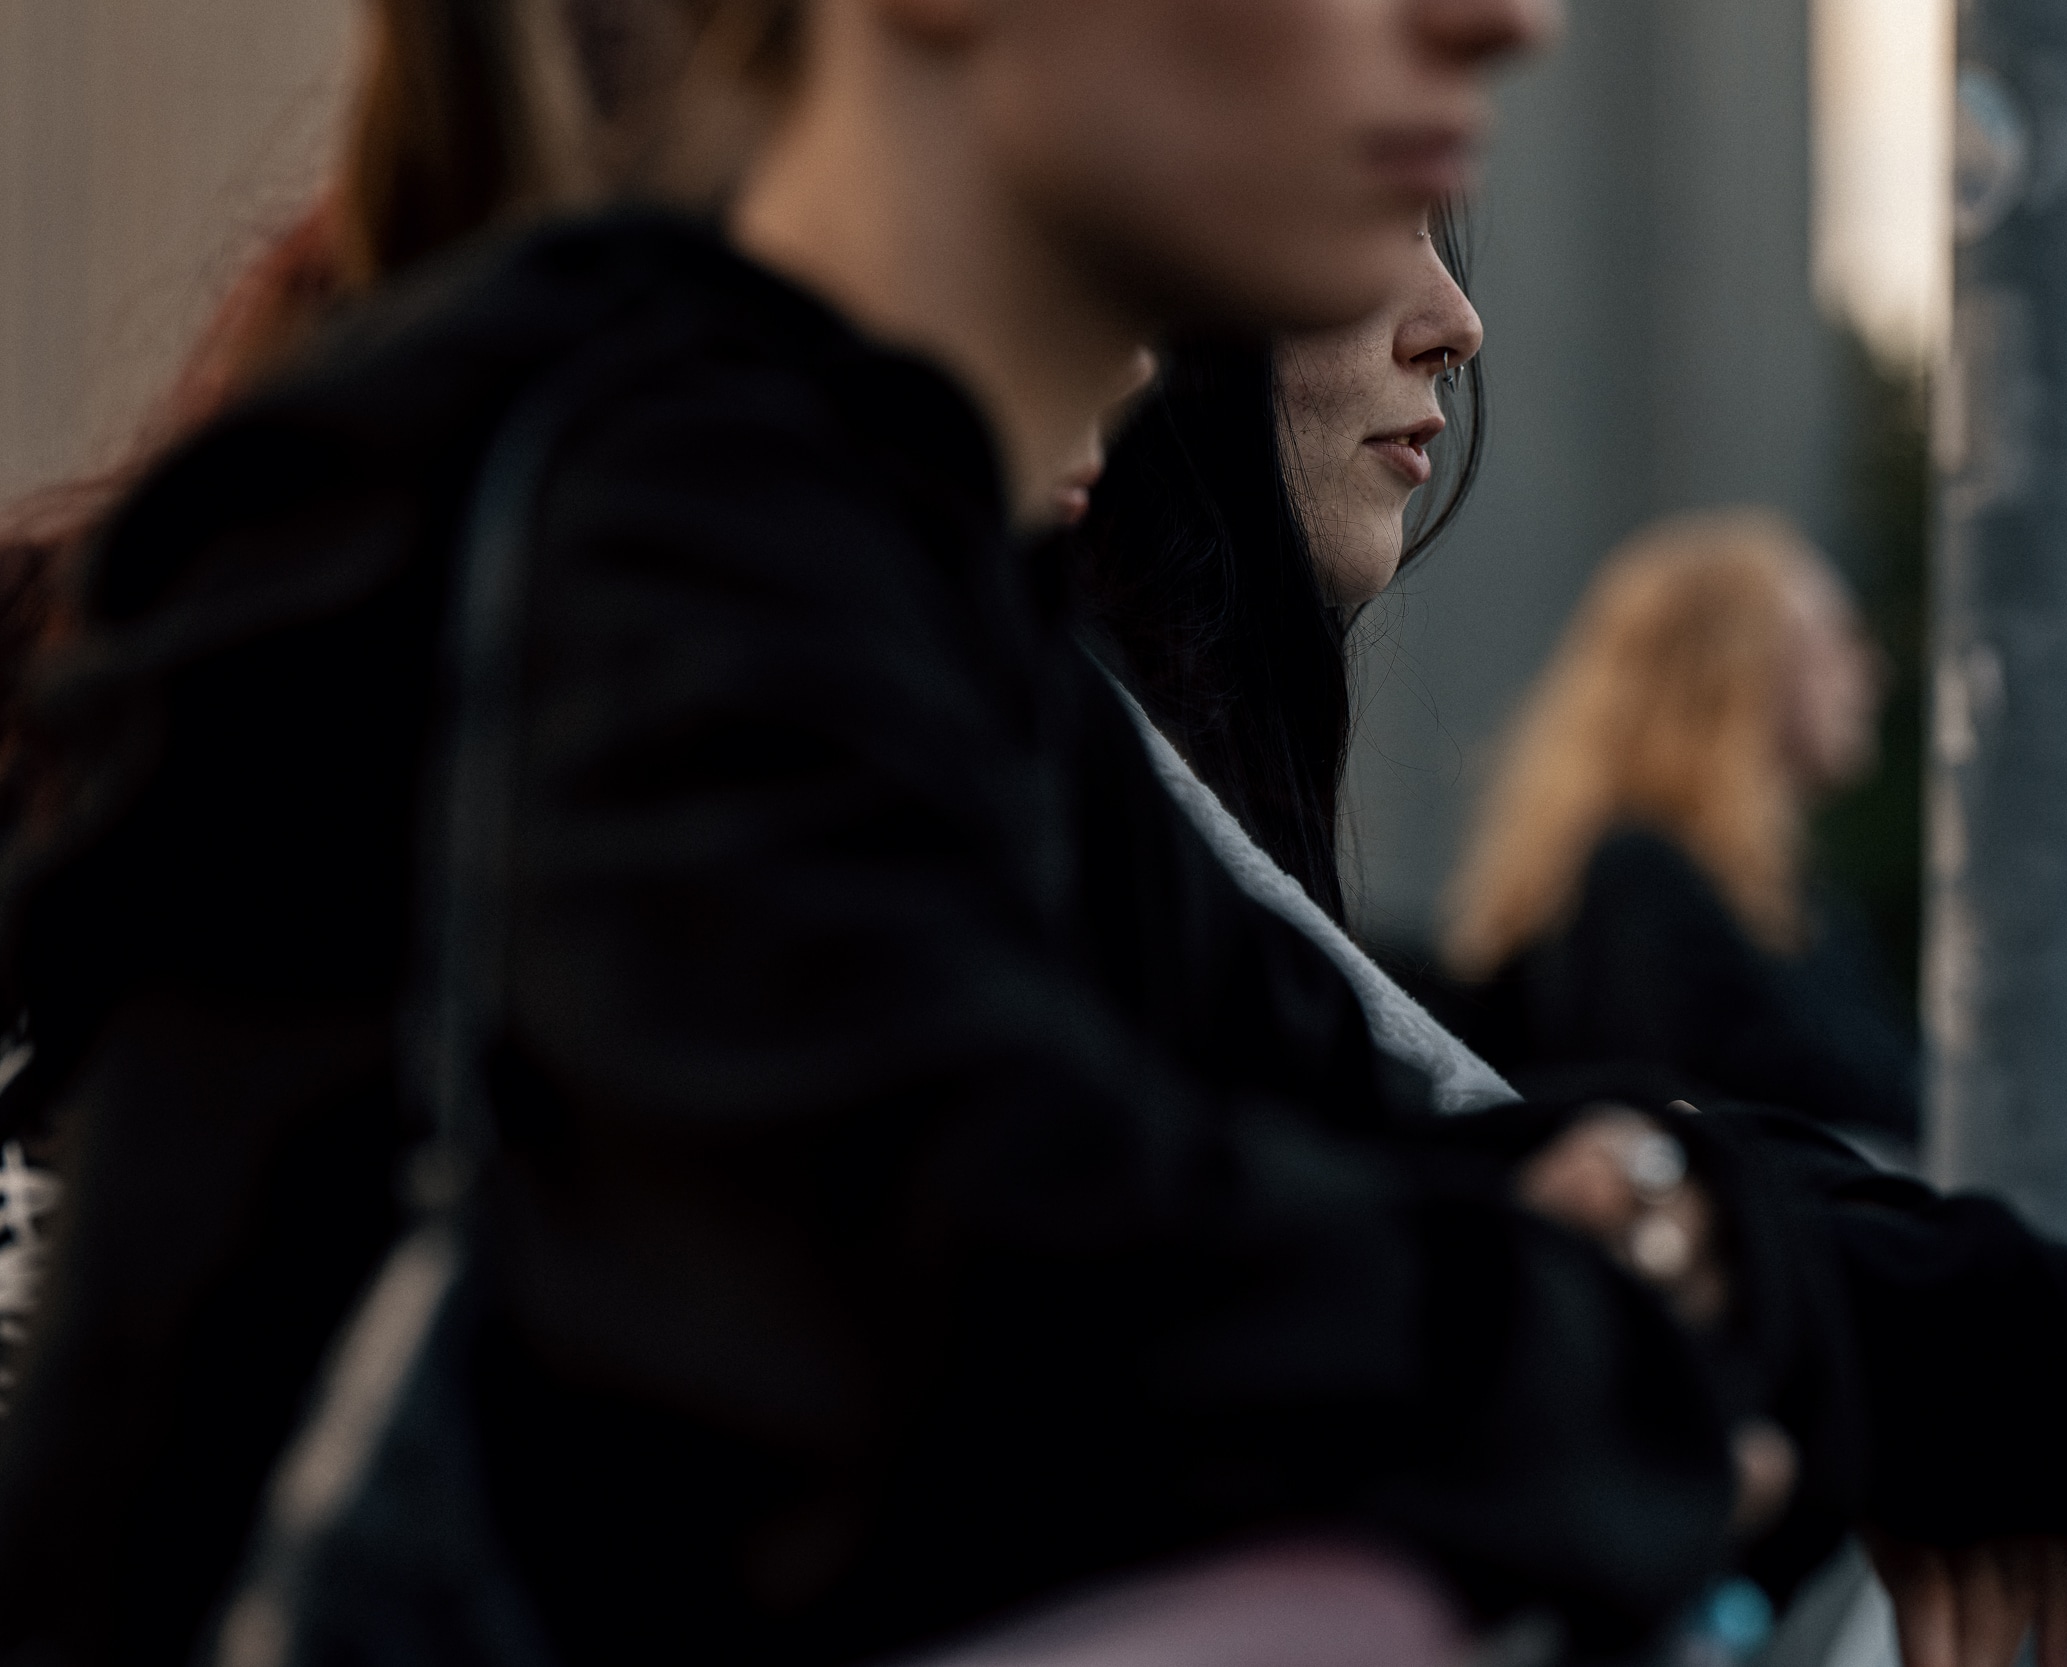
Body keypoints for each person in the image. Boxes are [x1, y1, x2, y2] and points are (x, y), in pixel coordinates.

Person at [0, 2, 1903, 1664]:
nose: (1504, 22)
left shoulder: (865, 611)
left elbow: (1334, 1151)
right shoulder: (641, 548)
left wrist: (1652, 1248)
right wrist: (1607, 1335)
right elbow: (1022, 1287)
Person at [1073, 225, 2067, 1667]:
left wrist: (1877, 1325)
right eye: (1364, 208)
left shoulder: (1761, 893)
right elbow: (1467, 1159)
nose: (1458, 321)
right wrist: (1966, 1346)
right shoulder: (1635, 889)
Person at [1437, 512, 1919, 1145]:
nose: (1870, 671)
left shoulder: (1793, 901)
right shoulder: (1639, 881)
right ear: (1735, 667)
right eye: (1837, 638)